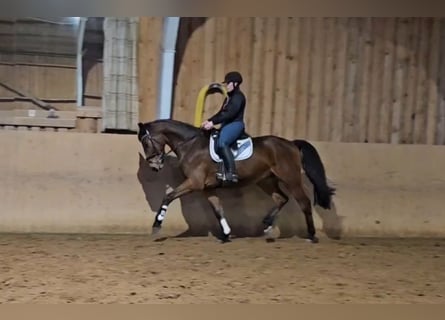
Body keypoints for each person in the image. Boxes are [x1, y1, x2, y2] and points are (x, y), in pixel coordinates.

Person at [201, 71, 246, 183]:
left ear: (235, 84)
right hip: (227, 124)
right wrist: (209, 120)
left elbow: (229, 113)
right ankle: (220, 169)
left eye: (228, 83)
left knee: (223, 142)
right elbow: (221, 112)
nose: (226, 86)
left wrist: (213, 122)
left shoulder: (238, 97)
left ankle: (232, 172)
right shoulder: (229, 98)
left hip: (235, 124)